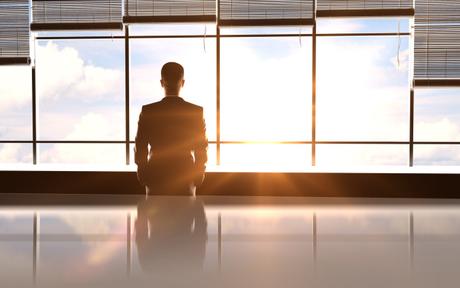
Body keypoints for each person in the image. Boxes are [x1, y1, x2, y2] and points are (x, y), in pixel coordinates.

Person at [134, 62, 208, 195]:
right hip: (186, 175)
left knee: (156, 214)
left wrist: (143, 173)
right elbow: (201, 147)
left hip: (155, 175)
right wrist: (199, 175)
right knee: (185, 214)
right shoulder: (196, 111)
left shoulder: (148, 111)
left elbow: (141, 145)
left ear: (162, 82)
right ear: (183, 82)